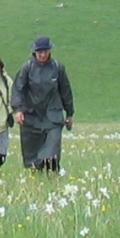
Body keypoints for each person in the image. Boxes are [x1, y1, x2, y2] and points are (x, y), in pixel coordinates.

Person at [11, 35, 73, 173]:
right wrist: (18, 110)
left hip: (53, 115)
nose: (43, 55)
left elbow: (65, 91)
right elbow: (18, 89)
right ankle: (37, 175)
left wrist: (69, 113)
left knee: (52, 150)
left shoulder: (58, 68)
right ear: (35, 52)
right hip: (32, 115)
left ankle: (53, 173)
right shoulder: (27, 68)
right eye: (40, 52)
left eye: (45, 52)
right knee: (33, 155)